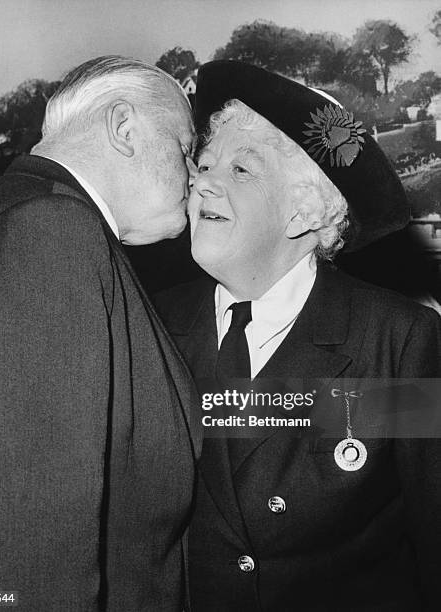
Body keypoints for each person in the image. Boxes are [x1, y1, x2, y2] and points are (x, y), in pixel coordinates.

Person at [155, 61, 441, 611]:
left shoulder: (392, 343)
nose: (202, 180)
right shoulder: (151, 325)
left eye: (241, 170)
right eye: (206, 164)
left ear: (302, 212)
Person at [0, 56, 202, 611]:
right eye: (185, 147)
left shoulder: (21, 214)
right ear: (124, 127)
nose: (193, 172)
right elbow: (20, 550)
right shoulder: (51, 234)